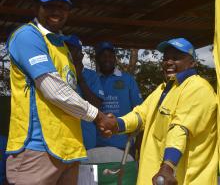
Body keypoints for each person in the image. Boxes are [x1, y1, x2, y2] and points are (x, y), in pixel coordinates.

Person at [6, 0, 116, 185]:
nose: (56, 11)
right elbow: (54, 90)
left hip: (69, 148)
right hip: (37, 149)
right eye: (49, 5)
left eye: (62, 6)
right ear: (36, 7)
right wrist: (98, 117)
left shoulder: (62, 47)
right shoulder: (27, 36)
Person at [103, 38, 218, 185]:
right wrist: (117, 124)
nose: (168, 62)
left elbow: (180, 129)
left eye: (176, 58)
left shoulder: (198, 88)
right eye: (166, 58)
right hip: (154, 176)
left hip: (182, 178)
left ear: (192, 63)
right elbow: (141, 115)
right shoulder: (163, 88)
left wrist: (168, 166)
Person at [95, 41, 143, 150]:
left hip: (124, 146)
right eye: (103, 56)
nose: (107, 59)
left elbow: (140, 111)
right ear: (97, 59)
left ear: (115, 58)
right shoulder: (93, 79)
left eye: (110, 55)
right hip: (96, 145)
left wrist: (139, 141)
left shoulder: (128, 80)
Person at [61, 34, 105, 150]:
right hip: (63, 142)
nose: (66, 51)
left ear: (81, 54)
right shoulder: (58, 72)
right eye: (64, 47)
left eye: (71, 49)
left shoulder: (91, 76)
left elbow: (97, 105)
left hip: (86, 142)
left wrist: (80, 78)